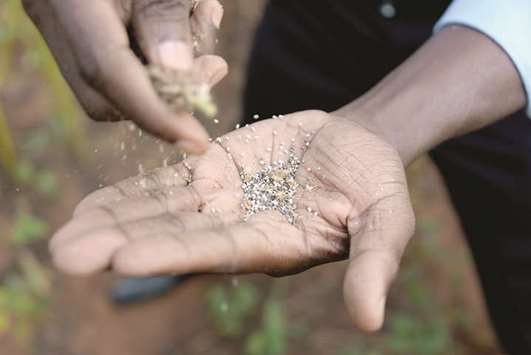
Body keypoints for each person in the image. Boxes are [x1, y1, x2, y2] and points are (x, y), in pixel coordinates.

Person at [23, 0, 531, 354]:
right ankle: (202, 236)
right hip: (317, 19)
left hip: (485, 63)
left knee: (518, 253)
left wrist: (379, 125)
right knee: (261, 134)